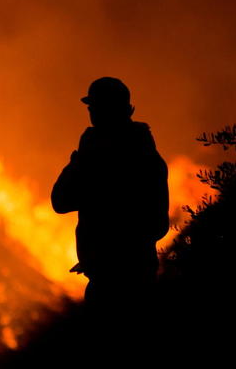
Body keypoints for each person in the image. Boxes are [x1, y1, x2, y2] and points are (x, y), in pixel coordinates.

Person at [52, 77, 168, 363]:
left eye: (96, 107)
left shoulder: (107, 160)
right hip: (131, 275)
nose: (92, 115)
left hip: (118, 282)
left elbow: (61, 201)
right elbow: (157, 226)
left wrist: (80, 162)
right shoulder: (147, 155)